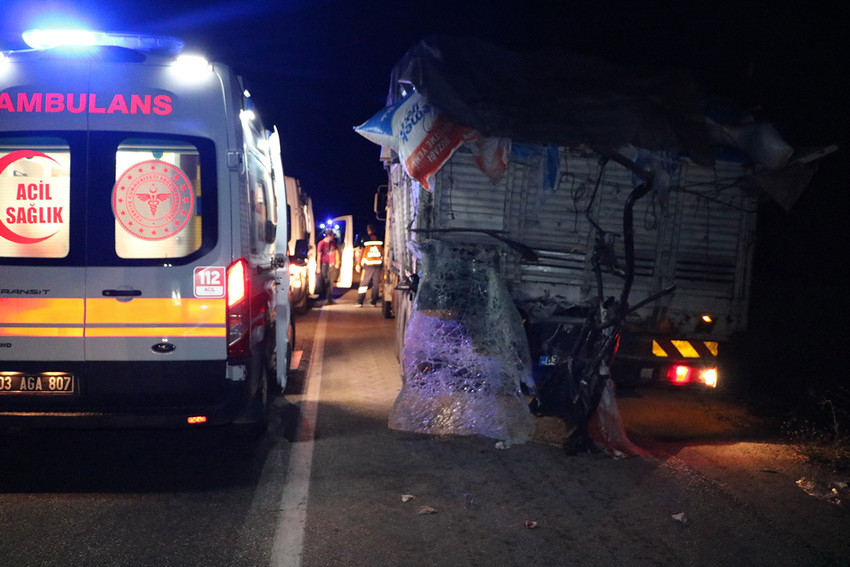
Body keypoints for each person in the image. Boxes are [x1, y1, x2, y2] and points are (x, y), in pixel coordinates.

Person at [356, 224, 383, 307]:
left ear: (368, 230)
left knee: (364, 283)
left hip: (368, 264)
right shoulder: (380, 238)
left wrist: (358, 264)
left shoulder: (365, 239)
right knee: (375, 284)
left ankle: (360, 301)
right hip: (378, 264)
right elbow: (383, 251)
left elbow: (361, 252)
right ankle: (373, 302)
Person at [316, 229, 340, 305]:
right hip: (324, 264)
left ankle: (329, 298)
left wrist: (337, 261)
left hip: (332, 264)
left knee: (331, 282)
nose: (333, 237)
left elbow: (336, 252)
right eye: (332, 236)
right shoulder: (321, 243)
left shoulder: (333, 243)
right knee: (326, 281)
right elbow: (319, 256)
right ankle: (326, 298)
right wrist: (318, 267)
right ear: (328, 236)